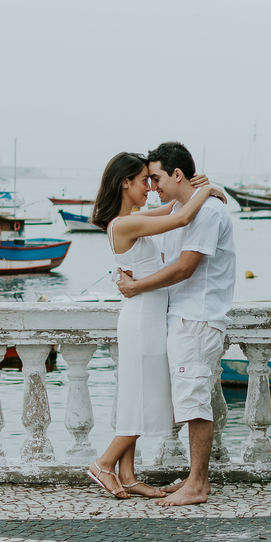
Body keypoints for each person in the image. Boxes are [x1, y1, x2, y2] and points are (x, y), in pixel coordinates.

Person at [86, 151, 222, 499]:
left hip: (148, 313)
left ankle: (128, 474)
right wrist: (208, 189)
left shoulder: (134, 218)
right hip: (143, 316)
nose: (149, 187)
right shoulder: (125, 223)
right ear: (125, 183)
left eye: (153, 179)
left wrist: (194, 189)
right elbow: (181, 219)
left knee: (136, 393)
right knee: (145, 394)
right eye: (143, 180)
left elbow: (176, 210)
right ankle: (104, 463)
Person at [118, 141, 236, 507]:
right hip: (181, 318)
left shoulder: (208, 213)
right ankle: (193, 479)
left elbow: (185, 267)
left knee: (195, 400)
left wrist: (136, 287)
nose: (151, 186)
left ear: (177, 174)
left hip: (197, 318)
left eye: (155, 178)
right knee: (188, 398)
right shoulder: (184, 207)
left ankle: (198, 484)